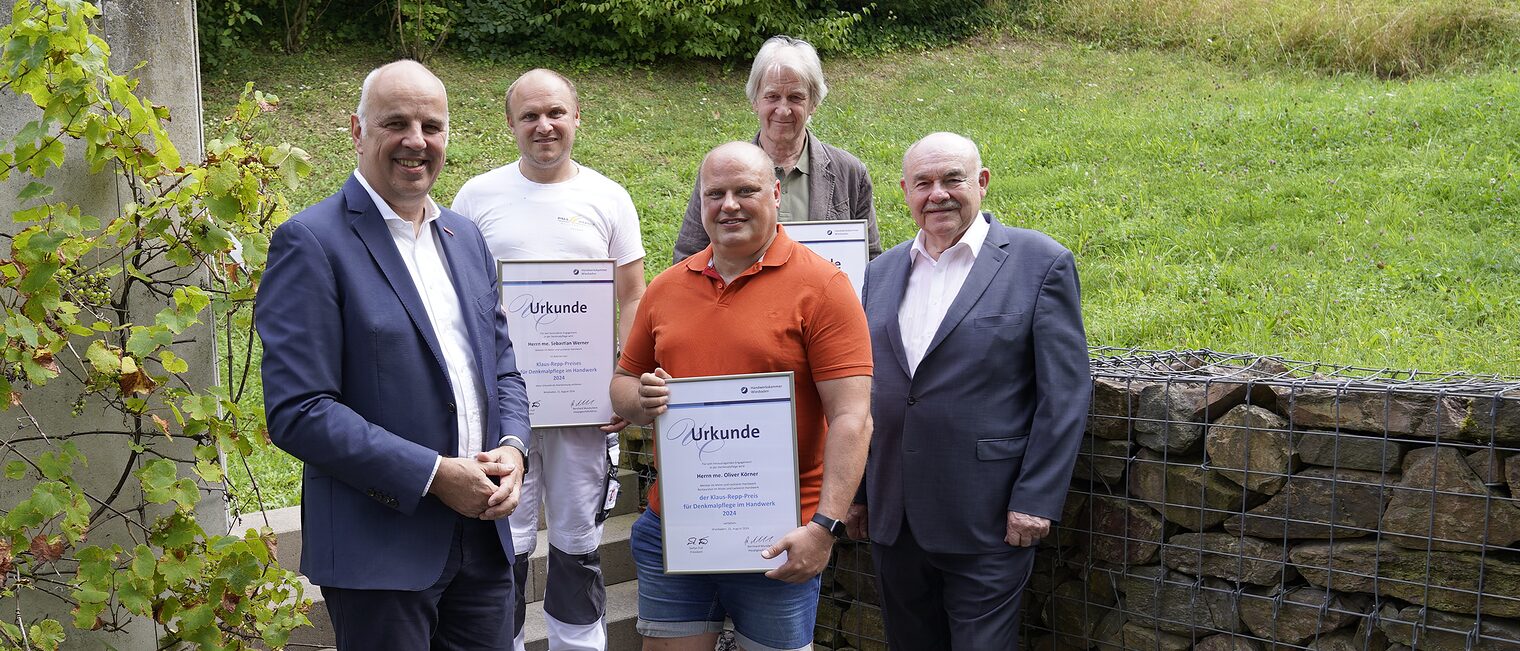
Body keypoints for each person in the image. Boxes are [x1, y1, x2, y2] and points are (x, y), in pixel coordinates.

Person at [256, 60, 531, 650]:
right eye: (396, 123)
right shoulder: (312, 242)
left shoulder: (466, 236)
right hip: (379, 552)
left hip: (482, 544)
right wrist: (433, 475)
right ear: (357, 131)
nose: (416, 141)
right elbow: (298, 409)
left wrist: (514, 448)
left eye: (432, 125)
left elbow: (502, 366)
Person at [612, 142, 872, 651]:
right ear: (701, 204)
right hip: (677, 530)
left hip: (781, 540)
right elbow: (622, 387)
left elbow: (853, 417)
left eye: (745, 191)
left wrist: (824, 527)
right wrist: (639, 399)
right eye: (715, 194)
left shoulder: (823, 286)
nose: (729, 204)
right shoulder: (664, 290)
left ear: (776, 194)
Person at [845, 132, 1091, 650]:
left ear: (980, 182)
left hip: (989, 516)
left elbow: (1064, 395)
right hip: (895, 517)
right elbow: (866, 390)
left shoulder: (1040, 263)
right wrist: (859, 493)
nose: (938, 194)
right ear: (905, 192)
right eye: (923, 183)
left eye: (952, 179)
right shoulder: (880, 272)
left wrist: (1036, 499)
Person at [451, 68, 647, 651]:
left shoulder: (608, 197)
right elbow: (461, 299)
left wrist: (622, 376)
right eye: (530, 115)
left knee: (578, 541)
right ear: (510, 124)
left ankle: (577, 644)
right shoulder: (476, 197)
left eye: (556, 112)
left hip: (582, 409)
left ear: (577, 118)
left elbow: (633, 292)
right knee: (503, 542)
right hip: (503, 409)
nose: (544, 125)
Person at [670, 35, 881, 265]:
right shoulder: (720, 171)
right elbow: (688, 258)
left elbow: (869, 261)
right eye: (772, 96)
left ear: (813, 103)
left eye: (795, 97)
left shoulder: (850, 172)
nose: (783, 110)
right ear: (755, 101)